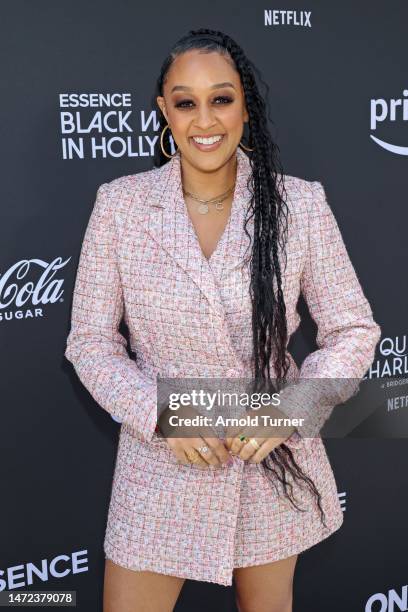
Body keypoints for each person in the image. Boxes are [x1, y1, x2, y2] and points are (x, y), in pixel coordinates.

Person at [64, 28, 381, 612]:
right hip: (160, 462)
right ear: (164, 110)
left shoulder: (300, 204)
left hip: (267, 461)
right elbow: (89, 341)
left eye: (222, 98)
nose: (203, 119)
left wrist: (290, 409)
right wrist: (161, 416)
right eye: (185, 101)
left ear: (245, 108)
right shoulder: (121, 205)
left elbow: (353, 330)